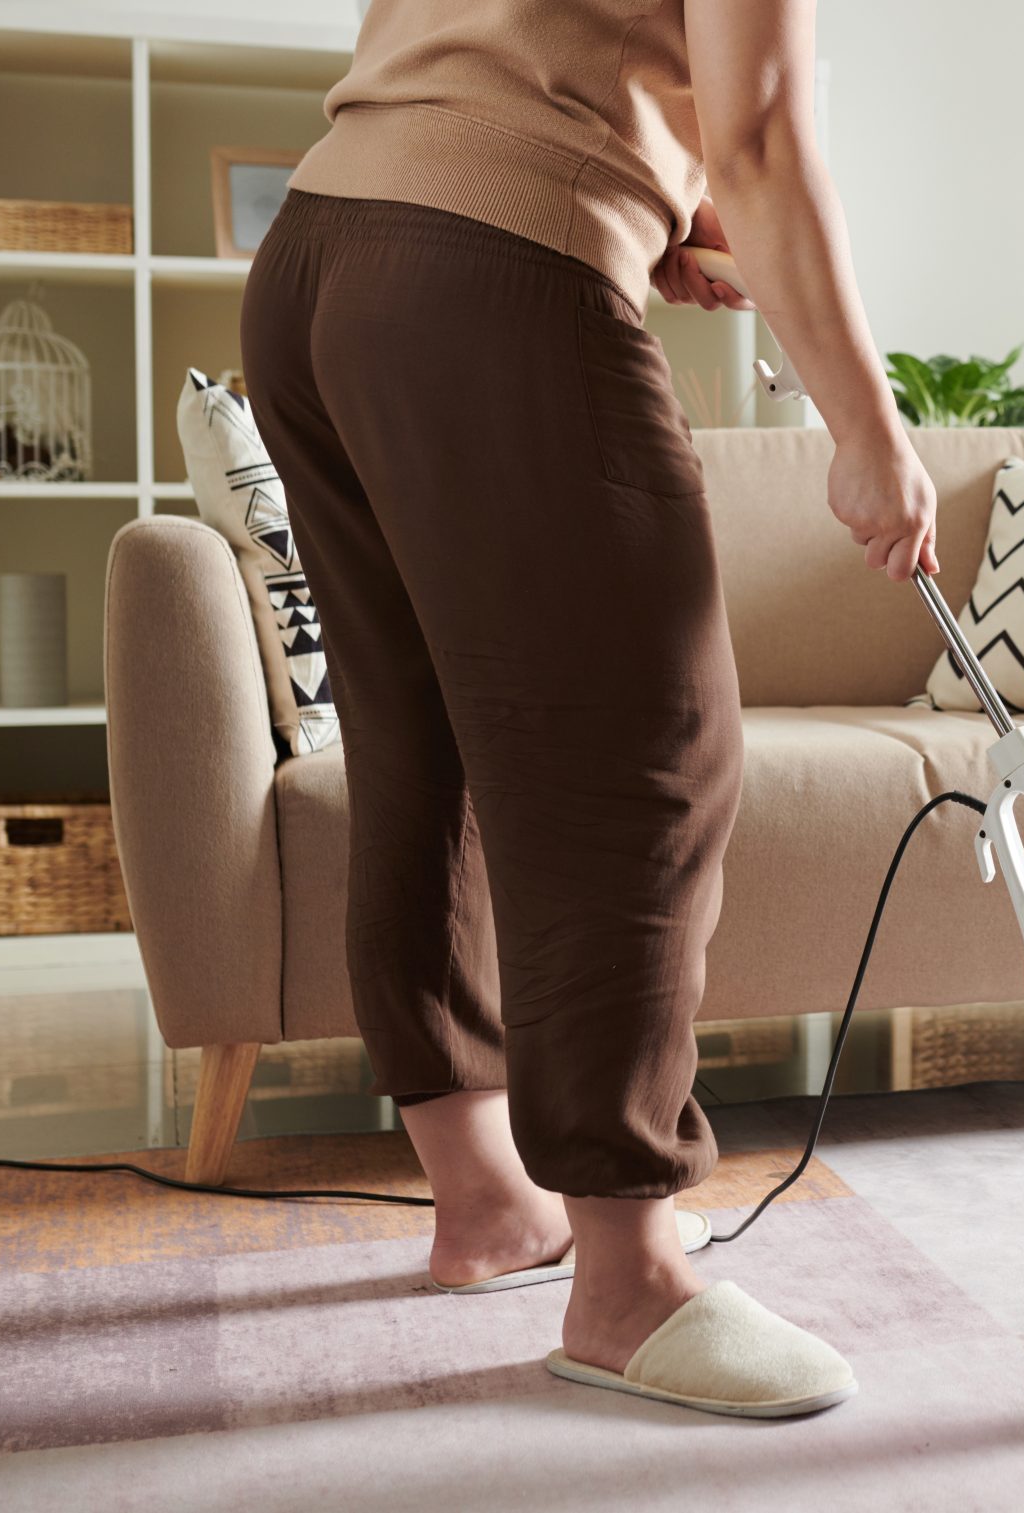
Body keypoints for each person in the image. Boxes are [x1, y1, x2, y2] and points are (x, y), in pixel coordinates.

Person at [239, 0, 936, 1416]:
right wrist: (868, 424)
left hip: (319, 262)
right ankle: (628, 1280)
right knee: (647, 757)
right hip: (485, 280)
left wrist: (643, 190)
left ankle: (486, 1198)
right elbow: (756, 125)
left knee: (423, 746)